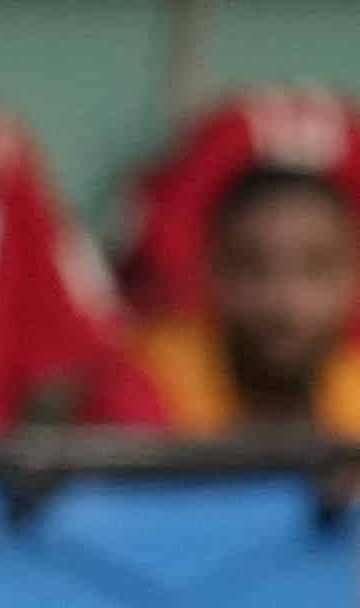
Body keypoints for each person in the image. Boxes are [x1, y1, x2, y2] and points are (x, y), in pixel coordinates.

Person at [128, 166, 360, 435]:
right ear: (210, 271)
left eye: (316, 269)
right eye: (251, 266)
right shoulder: (156, 380)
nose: (285, 301)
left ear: (351, 278)